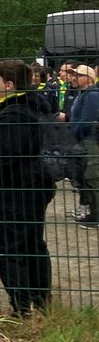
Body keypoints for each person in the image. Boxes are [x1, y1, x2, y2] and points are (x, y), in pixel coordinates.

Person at [0, 59, 56, 316]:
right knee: (31, 244)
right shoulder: (33, 106)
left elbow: (4, 158)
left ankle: (23, 305)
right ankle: (38, 301)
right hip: (32, 187)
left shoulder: (15, 114)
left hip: (16, 190)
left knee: (2, 246)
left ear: (9, 84)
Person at [65, 64, 99, 227]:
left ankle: (96, 214)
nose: (73, 78)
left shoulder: (92, 95)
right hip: (83, 139)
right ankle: (93, 212)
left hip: (89, 140)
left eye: (78, 75)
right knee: (87, 176)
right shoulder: (83, 94)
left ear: (89, 78)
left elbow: (86, 121)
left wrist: (74, 134)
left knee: (93, 176)